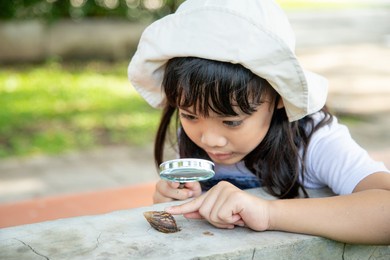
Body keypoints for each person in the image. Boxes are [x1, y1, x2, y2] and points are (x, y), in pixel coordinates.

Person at [128, 0, 390, 244]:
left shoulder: (313, 141)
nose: (209, 138)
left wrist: (267, 213)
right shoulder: (194, 138)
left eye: (231, 122)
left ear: (279, 97)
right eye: (189, 115)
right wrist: (175, 201)